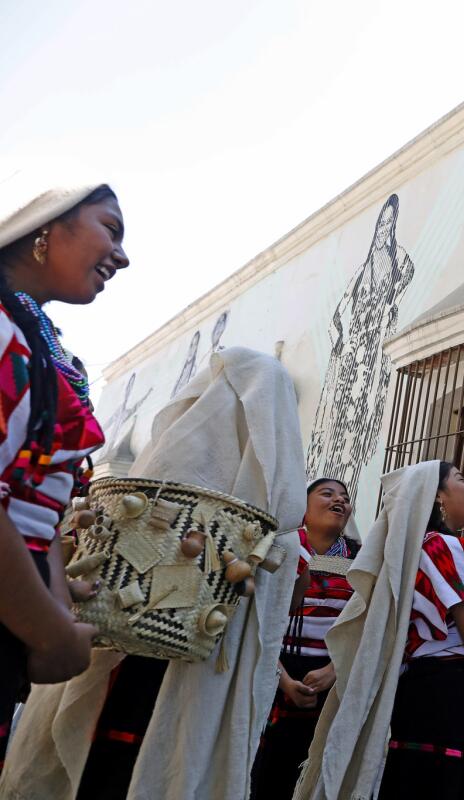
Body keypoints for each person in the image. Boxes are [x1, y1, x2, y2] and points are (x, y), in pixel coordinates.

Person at [0, 347, 308, 800]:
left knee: (107, 764)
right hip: (164, 669)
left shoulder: (164, 464)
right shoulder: (275, 511)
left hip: (124, 665)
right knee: (163, 760)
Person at [295, 461, 464, 800]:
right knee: (446, 785)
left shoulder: (415, 549)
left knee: (415, 781)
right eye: (462, 480)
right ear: (437, 496)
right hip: (451, 686)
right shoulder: (444, 545)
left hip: (422, 684)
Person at [0, 178, 122, 768]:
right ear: (44, 226)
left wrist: (51, 592)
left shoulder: (29, 334)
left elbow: (27, 503)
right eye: (111, 229)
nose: (122, 255)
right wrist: (48, 629)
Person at [251, 478, 358, 800]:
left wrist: (334, 670)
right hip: (275, 668)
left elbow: (368, 624)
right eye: (327, 494)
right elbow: (257, 620)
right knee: (267, 774)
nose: (339, 501)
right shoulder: (279, 548)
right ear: (303, 505)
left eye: (344, 497)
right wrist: (281, 679)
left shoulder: (361, 557)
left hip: (332, 676)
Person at [305, 193, 415, 501]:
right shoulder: (363, 268)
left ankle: (347, 490)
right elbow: (340, 311)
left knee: (361, 420)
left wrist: (388, 309)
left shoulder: (398, 261)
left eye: (389, 225)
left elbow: (406, 274)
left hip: (373, 353)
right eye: (381, 224)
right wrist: (343, 339)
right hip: (353, 353)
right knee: (339, 419)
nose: (383, 230)